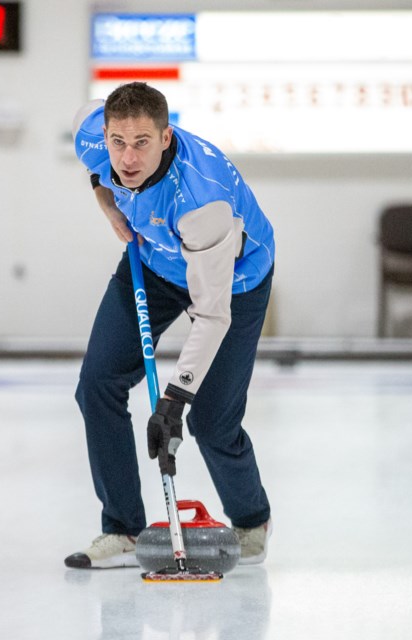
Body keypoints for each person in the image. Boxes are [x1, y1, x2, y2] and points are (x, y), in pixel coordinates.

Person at [64, 82, 276, 569]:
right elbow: (96, 154)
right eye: (118, 142)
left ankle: (250, 520)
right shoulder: (94, 136)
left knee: (210, 420)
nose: (128, 156)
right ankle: (121, 529)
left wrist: (174, 400)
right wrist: (104, 195)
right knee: (97, 384)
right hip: (155, 261)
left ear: (165, 138)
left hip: (234, 280)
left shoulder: (203, 202)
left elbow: (212, 313)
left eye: (141, 143)